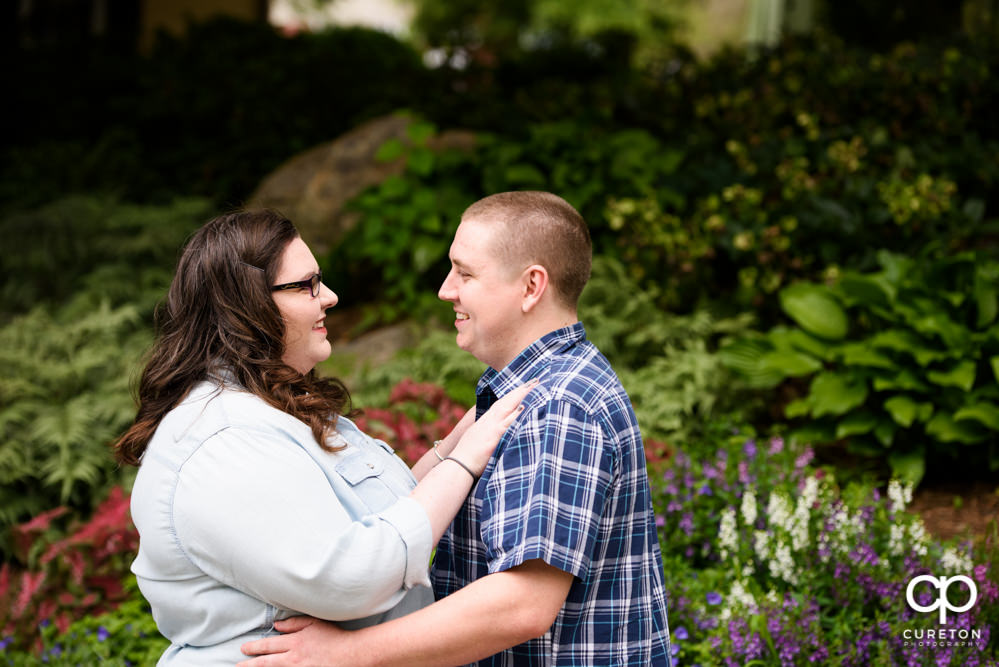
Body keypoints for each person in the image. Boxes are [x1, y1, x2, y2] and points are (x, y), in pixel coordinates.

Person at [239, 191, 672, 666]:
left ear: (531, 287)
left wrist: (345, 654)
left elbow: (523, 604)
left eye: (465, 273)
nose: (446, 290)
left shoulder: (557, 405)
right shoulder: (533, 390)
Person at [115, 209, 535, 665]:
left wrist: (457, 440)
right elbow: (350, 577)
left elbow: (386, 520)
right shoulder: (223, 440)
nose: (330, 298)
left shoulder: (271, 403)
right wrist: (464, 461)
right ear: (246, 306)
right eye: (306, 285)